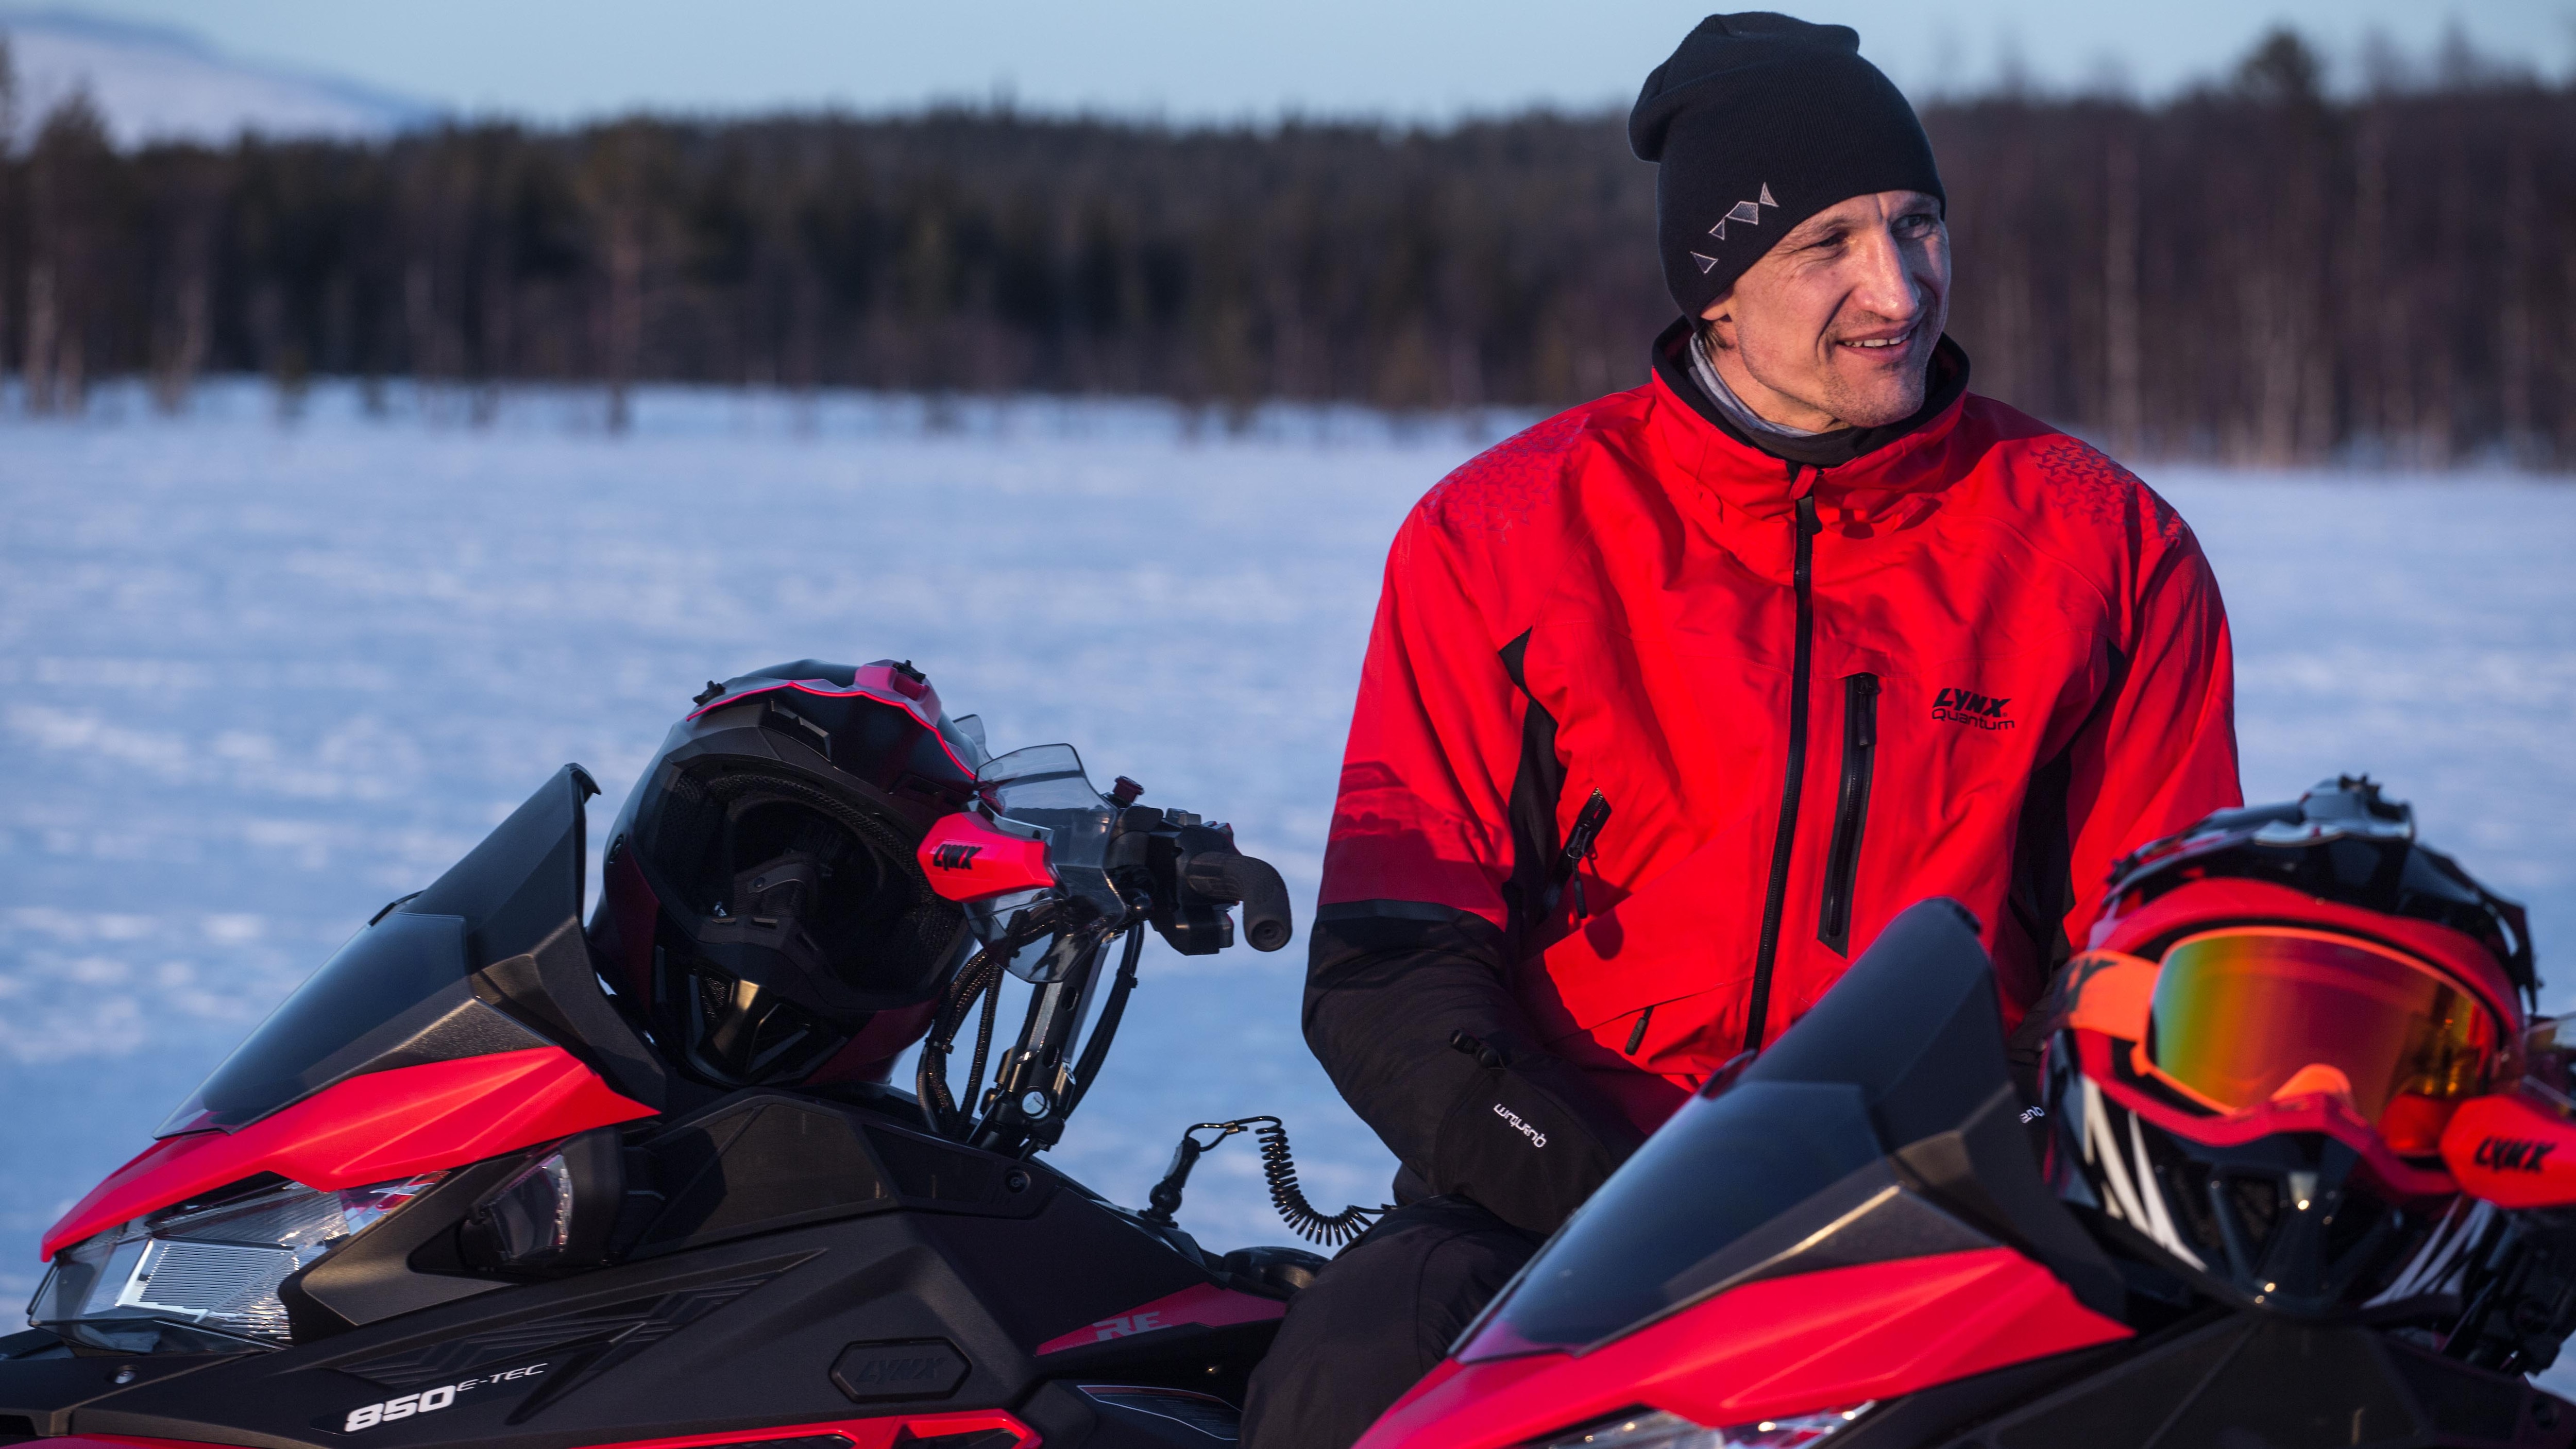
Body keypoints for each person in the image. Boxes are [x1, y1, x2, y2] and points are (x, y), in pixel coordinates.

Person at [1239, 14, 2243, 1447]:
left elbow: (2159, 967)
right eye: (1826, 245)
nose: (1897, 287)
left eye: (1917, 224)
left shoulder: (2102, 552)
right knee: (1352, 1380)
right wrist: (1597, 1199)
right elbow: (1392, 968)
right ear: (1714, 288)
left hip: (1946, 1233)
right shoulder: (1503, 540)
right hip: (1554, 1207)